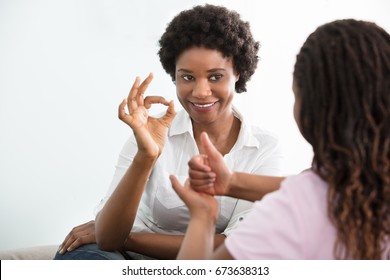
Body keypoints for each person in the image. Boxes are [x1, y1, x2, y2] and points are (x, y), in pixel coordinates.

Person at [54, 4, 284, 260]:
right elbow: (107, 239)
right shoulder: (151, 132)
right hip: (120, 257)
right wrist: (147, 155)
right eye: (187, 78)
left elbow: (238, 248)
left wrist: (129, 238)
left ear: (237, 73)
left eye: (215, 77)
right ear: (174, 76)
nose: (200, 91)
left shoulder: (264, 148)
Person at [171, 19, 390, 260]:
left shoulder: (289, 215)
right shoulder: (368, 186)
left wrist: (202, 217)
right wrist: (232, 183)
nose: (201, 91)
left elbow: (310, 193)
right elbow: (329, 186)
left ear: (308, 109)